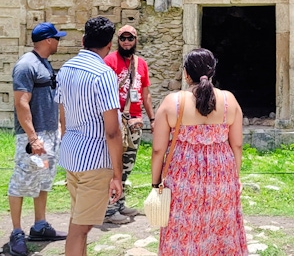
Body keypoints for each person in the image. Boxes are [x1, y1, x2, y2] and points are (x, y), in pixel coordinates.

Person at [151, 48, 248, 255]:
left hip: (182, 176)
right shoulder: (229, 100)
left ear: (186, 74)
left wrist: (155, 182)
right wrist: (235, 176)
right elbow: (237, 144)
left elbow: (158, 149)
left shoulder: (172, 102)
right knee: (220, 228)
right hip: (222, 175)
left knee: (182, 228)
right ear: (213, 72)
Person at [56, 16, 123, 256]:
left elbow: (62, 117)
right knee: (79, 229)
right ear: (109, 45)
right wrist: (118, 174)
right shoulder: (103, 74)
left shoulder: (65, 69)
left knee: (78, 220)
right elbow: (113, 130)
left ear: (83, 40)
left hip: (72, 153)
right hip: (95, 159)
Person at [8, 22, 67, 256]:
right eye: (57, 38)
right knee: (22, 180)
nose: (59, 42)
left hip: (49, 134)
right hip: (34, 137)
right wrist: (33, 138)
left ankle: (40, 225)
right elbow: (21, 103)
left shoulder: (43, 63)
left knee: (43, 178)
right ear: (48, 41)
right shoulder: (25, 65)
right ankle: (16, 232)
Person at [103, 25, 155, 224]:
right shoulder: (110, 61)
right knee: (113, 163)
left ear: (135, 40)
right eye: (123, 38)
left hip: (134, 120)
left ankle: (120, 202)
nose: (126, 42)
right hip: (116, 118)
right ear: (118, 40)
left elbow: (145, 94)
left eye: (130, 39)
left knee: (127, 164)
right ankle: (109, 208)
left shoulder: (140, 63)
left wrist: (152, 118)